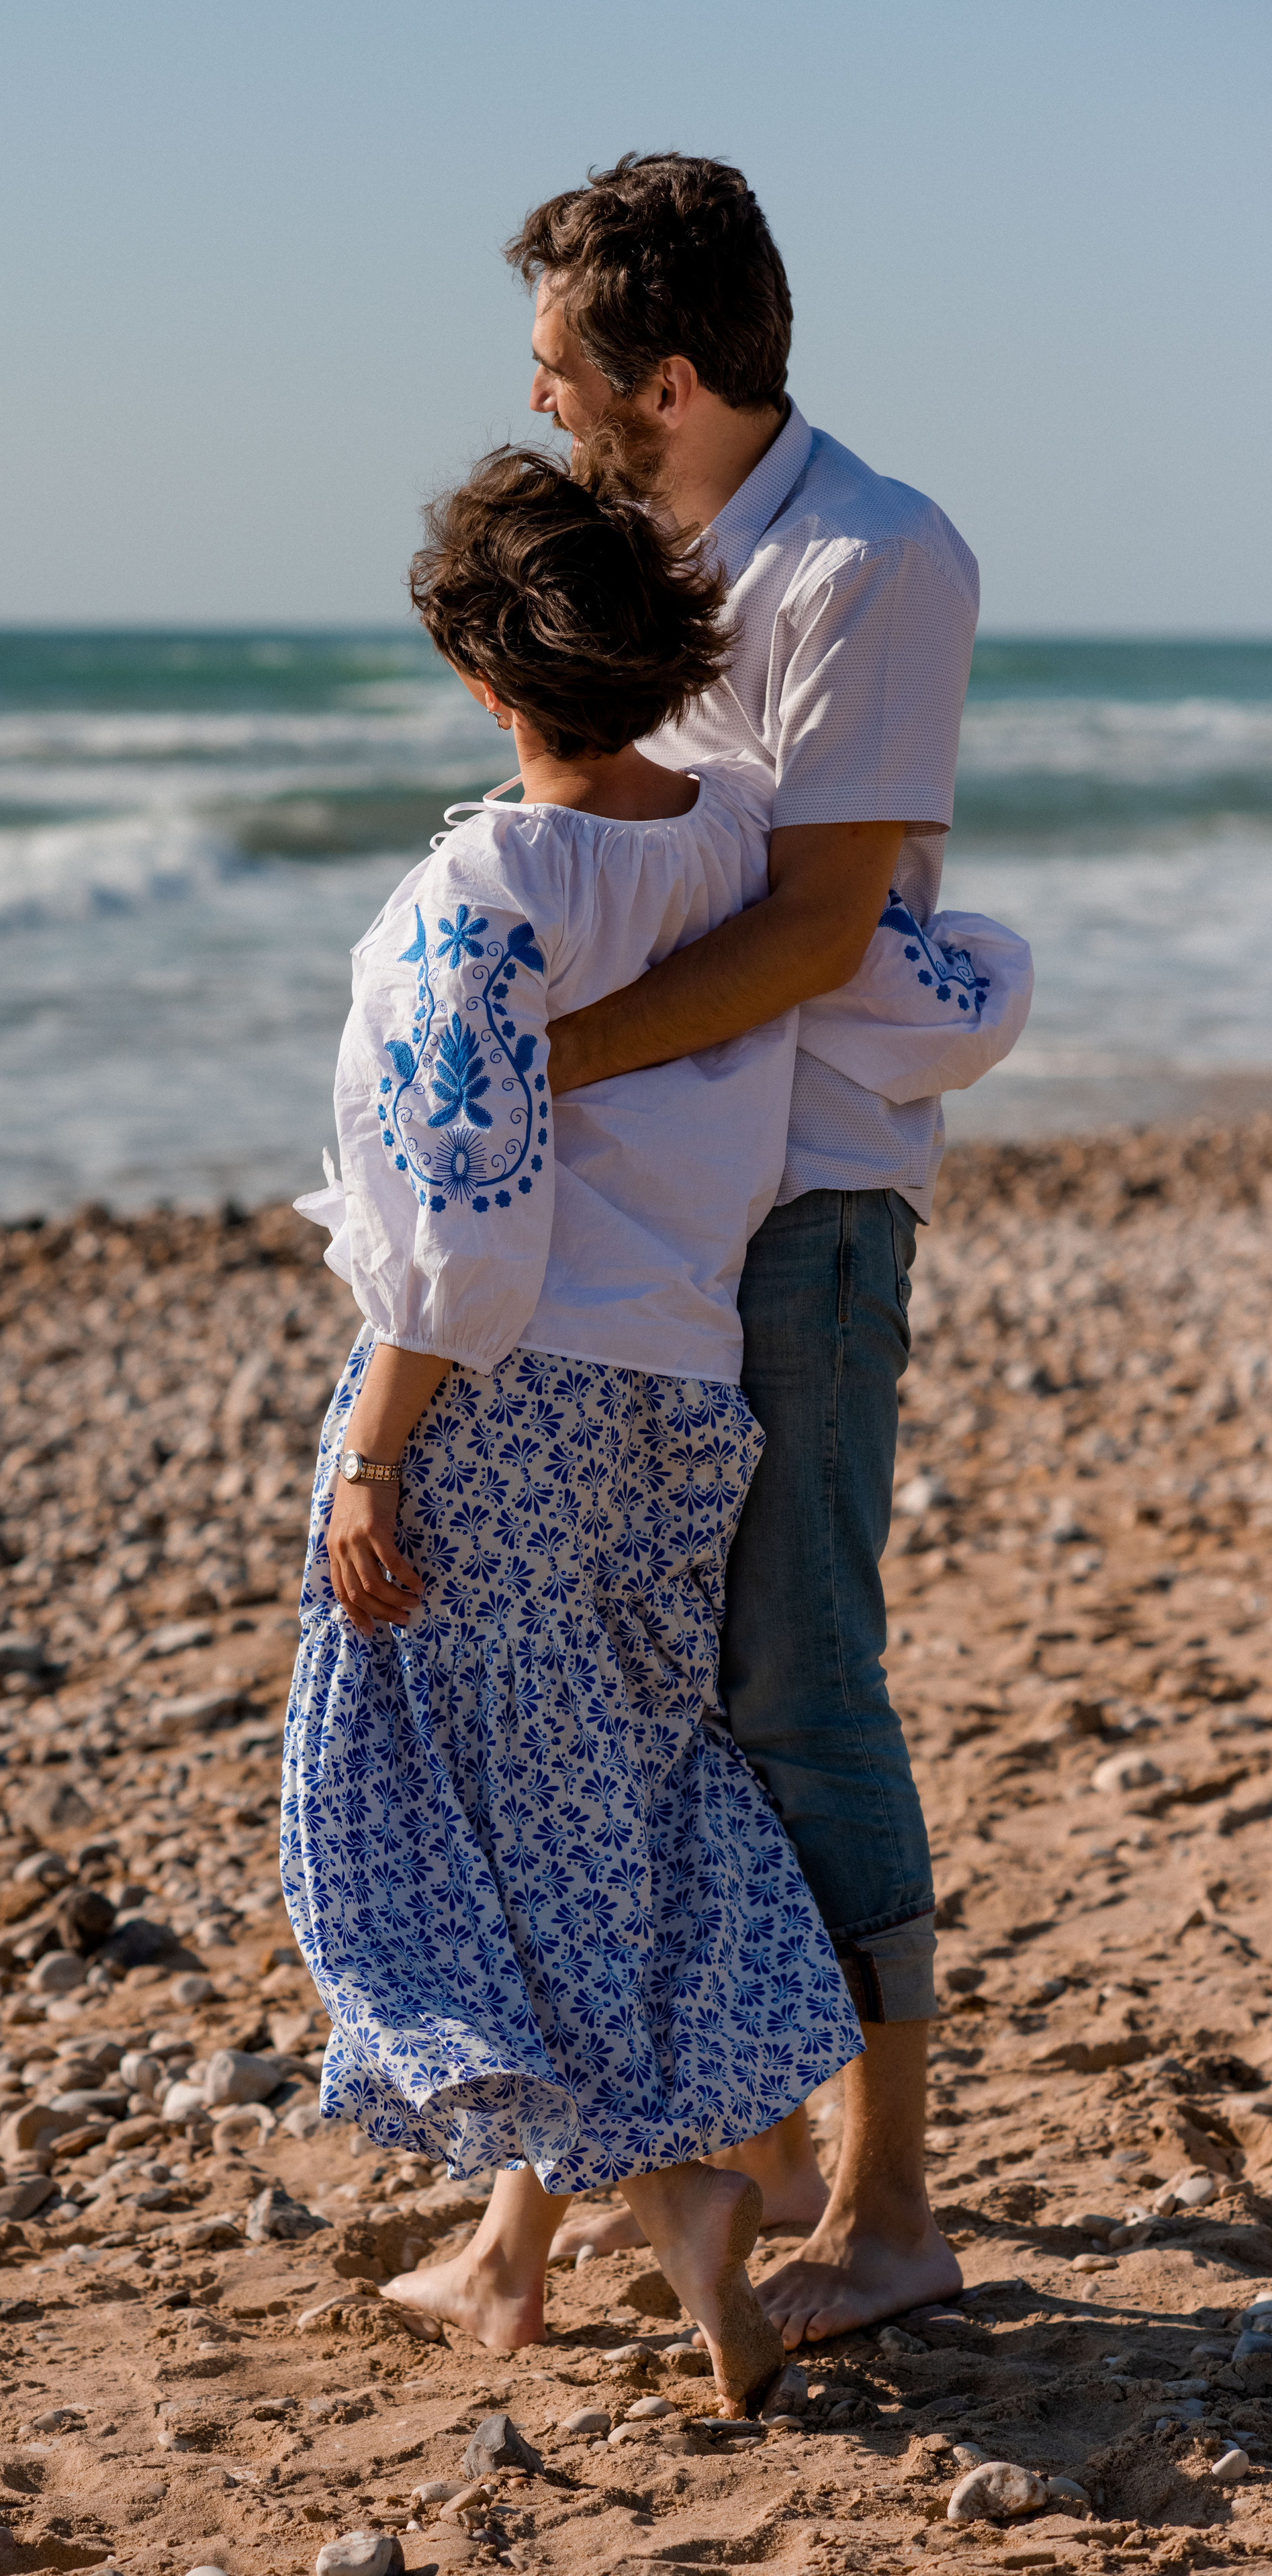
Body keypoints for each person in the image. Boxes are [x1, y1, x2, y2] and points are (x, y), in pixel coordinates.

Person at [281, 449, 1029, 2373]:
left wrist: (371, 1444)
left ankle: (638, 2189)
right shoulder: (751, 843)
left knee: (432, 1793)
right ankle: (618, 2204)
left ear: (480, 676)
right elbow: (937, 995)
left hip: (502, 1403)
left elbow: (460, 1220)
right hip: (685, 1400)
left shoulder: (479, 889)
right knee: (641, 1783)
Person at [436, 150, 985, 2348]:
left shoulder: (874, 558)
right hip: (641, 1211)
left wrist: (528, 1063)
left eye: (567, 378)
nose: (547, 413)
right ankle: (547, 2216)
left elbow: (820, 924)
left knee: (793, 1681)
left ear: (670, 376)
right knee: (599, 1678)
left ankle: (894, 2197)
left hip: (811, 1198)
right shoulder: (631, 555)